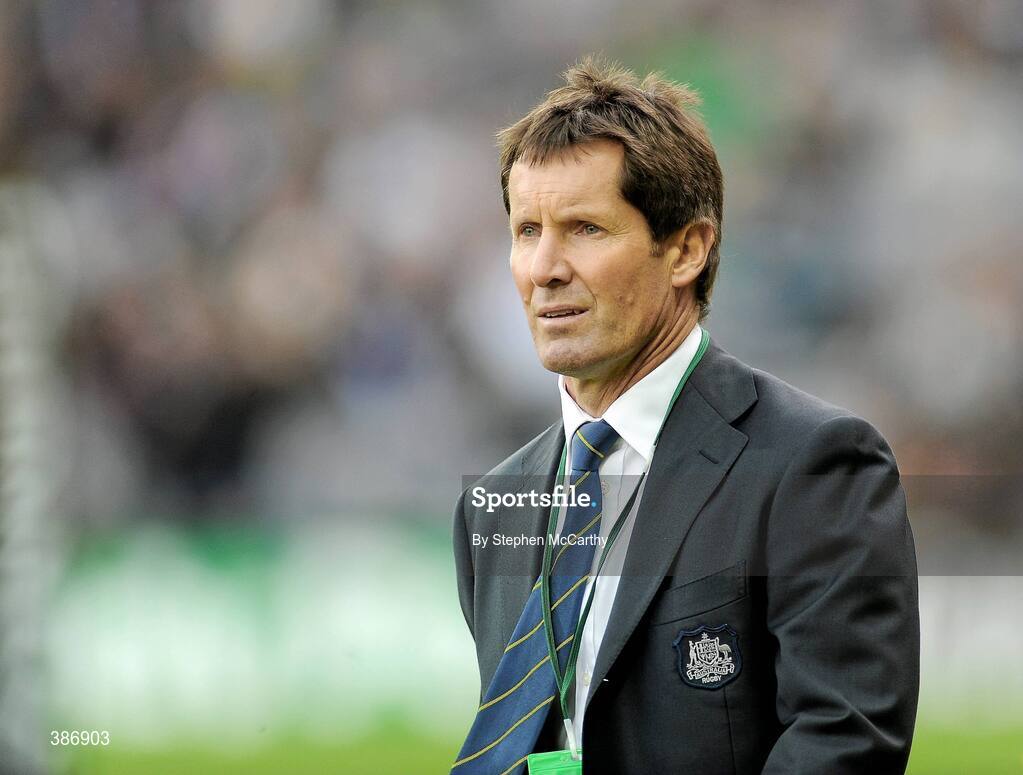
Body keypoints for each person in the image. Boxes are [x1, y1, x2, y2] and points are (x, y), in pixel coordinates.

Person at [451, 57, 919, 774]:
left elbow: (842, 744)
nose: (543, 266)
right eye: (525, 231)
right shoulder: (492, 509)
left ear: (686, 250)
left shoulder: (812, 464)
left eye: (583, 229)